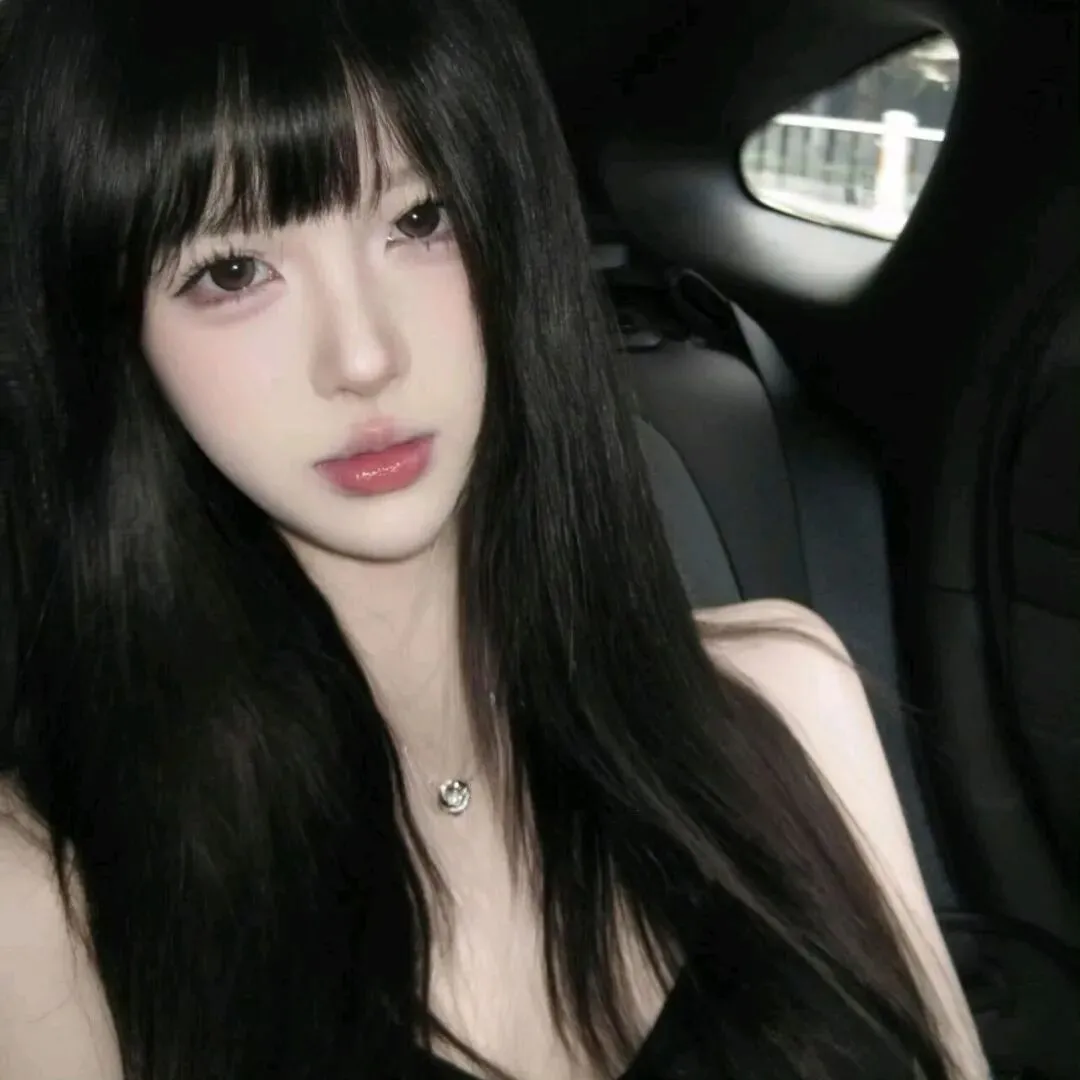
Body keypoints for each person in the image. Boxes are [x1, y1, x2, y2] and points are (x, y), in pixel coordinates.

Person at [0, 0, 989, 1078]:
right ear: (116, 336)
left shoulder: (792, 701)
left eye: (422, 219)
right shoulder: (48, 905)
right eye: (232, 271)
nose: (364, 356)